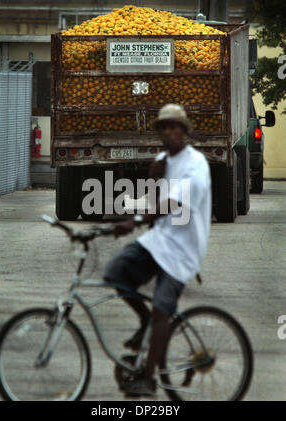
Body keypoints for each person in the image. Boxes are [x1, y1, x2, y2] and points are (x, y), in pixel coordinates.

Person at [104, 104, 212, 396]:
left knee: (162, 308)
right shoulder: (163, 160)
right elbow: (155, 203)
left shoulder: (196, 164)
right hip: (159, 240)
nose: (167, 132)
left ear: (184, 131)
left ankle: (148, 379)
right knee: (115, 273)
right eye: (163, 127)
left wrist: (135, 221)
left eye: (173, 126)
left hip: (183, 250)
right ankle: (144, 321)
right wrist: (154, 178)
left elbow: (175, 206)